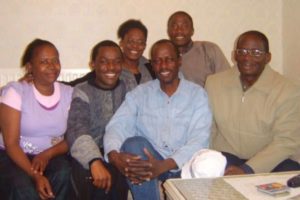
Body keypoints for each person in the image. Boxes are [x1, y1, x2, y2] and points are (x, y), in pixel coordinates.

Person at [104, 39, 212, 200]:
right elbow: (117, 126)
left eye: (169, 59)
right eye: (157, 61)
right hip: (150, 162)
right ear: (152, 65)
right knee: (133, 144)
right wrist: (114, 156)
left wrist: (163, 166)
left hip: (184, 164)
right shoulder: (140, 94)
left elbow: (200, 139)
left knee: (211, 161)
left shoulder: (197, 95)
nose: (163, 66)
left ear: (179, 61)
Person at [205, 30, 300, 175]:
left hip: (273, 161)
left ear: (268, 57)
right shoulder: (214, 83)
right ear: (234, 55)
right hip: (227, 156)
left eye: (256, 52)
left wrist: (248, 169)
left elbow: (286, 141)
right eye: (242, 51)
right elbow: (208, 128)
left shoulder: (287, 91)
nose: (247, 57)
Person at [0, 39, 73, 199]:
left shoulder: (69, 93)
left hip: (50, 155)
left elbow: (72, 137)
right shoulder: (16, 91)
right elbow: (11, 143)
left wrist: (46, 155)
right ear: (30, 67)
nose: (52, 66)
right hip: (13, 155)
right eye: (44, 61)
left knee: (63, 173)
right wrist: (36, 176)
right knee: (23, 188)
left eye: (55, 60)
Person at [66, 40, 128, 200]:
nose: (111, 67)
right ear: (93, 64)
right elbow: (77, 130)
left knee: (119, 174)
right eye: (104, 61)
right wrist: (94, 161)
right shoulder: (82, 91)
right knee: (89, 177)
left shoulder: (128, 89)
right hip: (88, 152)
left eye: (116, 62)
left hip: (118, 151)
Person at [67, 19, 154, 89]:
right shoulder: (111, 69)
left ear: (145, 45)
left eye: (140, 42)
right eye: (131, 41)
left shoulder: (151, 67)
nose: (135, 46)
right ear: (121, 43)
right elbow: (75, 85)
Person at [167, 11, 230, 87]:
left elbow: (227, 81)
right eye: (174, 26)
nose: (179, 30)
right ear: (168, 31)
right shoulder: (163, 59)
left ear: (192, 31)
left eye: (184, 26)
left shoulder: (209, 50)